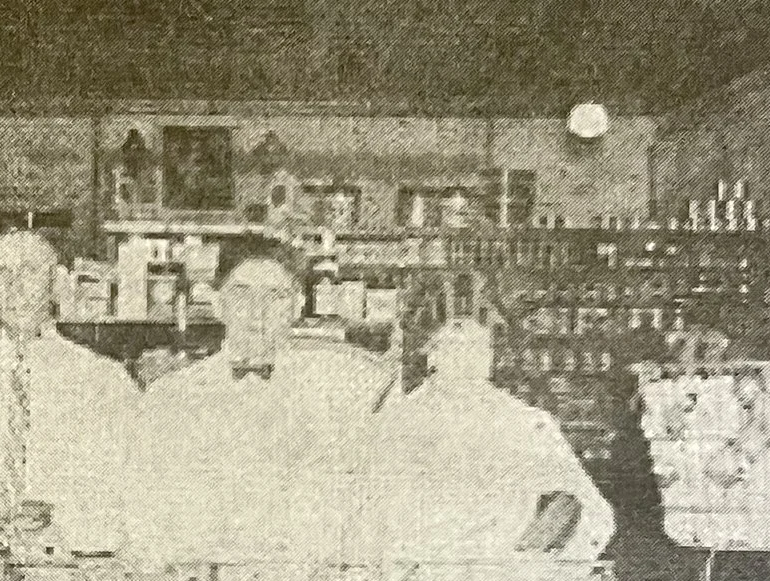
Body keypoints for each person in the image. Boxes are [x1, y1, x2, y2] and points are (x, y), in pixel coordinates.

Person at [133, 238, 395, 563]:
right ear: (216, 303)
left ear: (298, 307)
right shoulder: (171, 397)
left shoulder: (333, 397)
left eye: (275, 297)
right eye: (242, 294)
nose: (257, 312)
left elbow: (358, 507)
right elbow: (145, 515)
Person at [0, 229, 140, 551]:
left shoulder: (103, 382)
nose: (15, 288)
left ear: (56, 284)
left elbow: (130, 494)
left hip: (71, 569)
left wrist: (62, 525)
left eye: (29, 270)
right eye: (0, 274)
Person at [365, 316, 616, 562]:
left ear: (489, 360)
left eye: (476, 349)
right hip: (417, 568)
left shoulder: (524, 421)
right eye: (454, 348)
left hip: (497, 573)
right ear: (433, 357)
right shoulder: (401, 420)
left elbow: (591, 510)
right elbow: (372, 505)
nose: (465, 359)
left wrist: (550, 566)